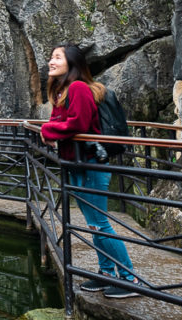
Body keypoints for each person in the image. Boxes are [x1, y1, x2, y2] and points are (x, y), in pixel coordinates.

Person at [40, 43, 140, 299]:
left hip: (91, 164)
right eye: (51, 57)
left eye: (57, 57)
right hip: (78, 163)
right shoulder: (63, 91)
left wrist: (47, 131)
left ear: (72, 63)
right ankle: (106, 273)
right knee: (93, 224)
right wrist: (51, 127)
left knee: (99, 223)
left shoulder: (78, 88)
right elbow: (59, 120)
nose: (51, 61)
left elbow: (78, 123)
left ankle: (129, 279)